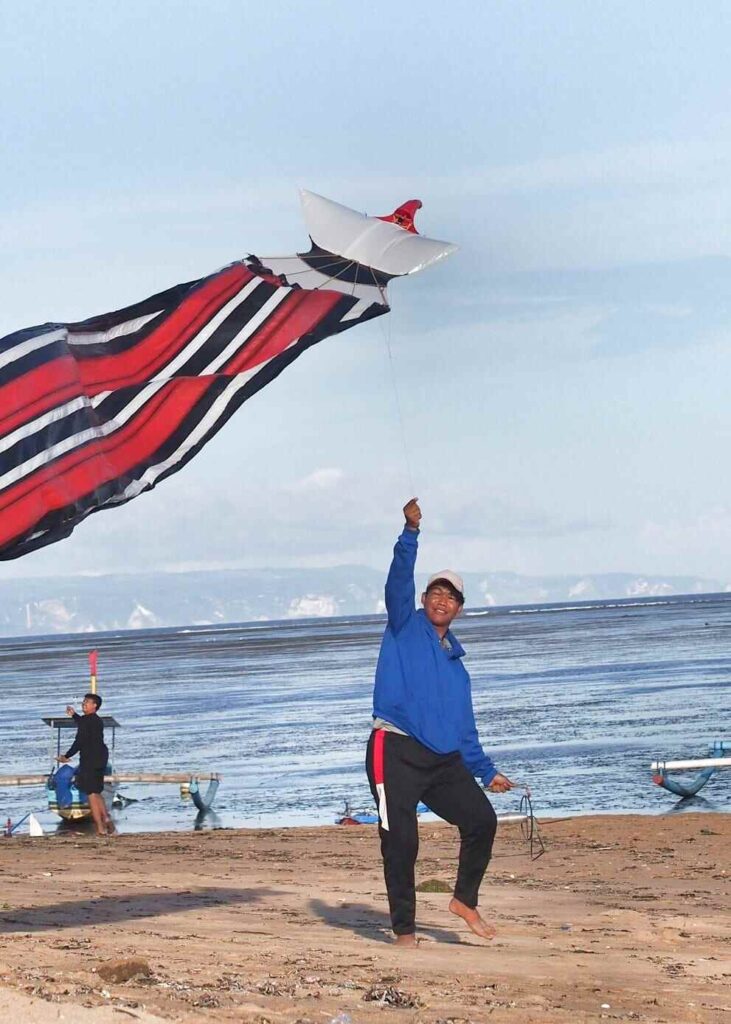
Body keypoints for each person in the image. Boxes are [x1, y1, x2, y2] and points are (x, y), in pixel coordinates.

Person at [366, 498, 514, 946]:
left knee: (482, 821)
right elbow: (397, 581)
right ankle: (405, 932)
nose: (442, 600)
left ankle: (464, 901)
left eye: (451, 596)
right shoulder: (402, 626)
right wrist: (409, 533)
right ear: (424, 600)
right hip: (394, 751)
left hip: (442, 760)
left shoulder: (458, 666)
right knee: (402, 844)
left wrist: (486, 771)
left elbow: (463, 731)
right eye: (436, 593)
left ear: (459, 609)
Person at [56, 693, 115, 837]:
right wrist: (74, 715)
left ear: (95, 705)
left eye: (87, 702)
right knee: (96, 791)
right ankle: (106, 819)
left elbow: (79, 741)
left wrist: (66, 756)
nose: (84, 704)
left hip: (90, 759)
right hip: (100, 758)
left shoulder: (88, 721)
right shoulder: (96, 720)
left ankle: (100, 827)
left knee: (91, 794)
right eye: (83, 702)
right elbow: (83, 723)